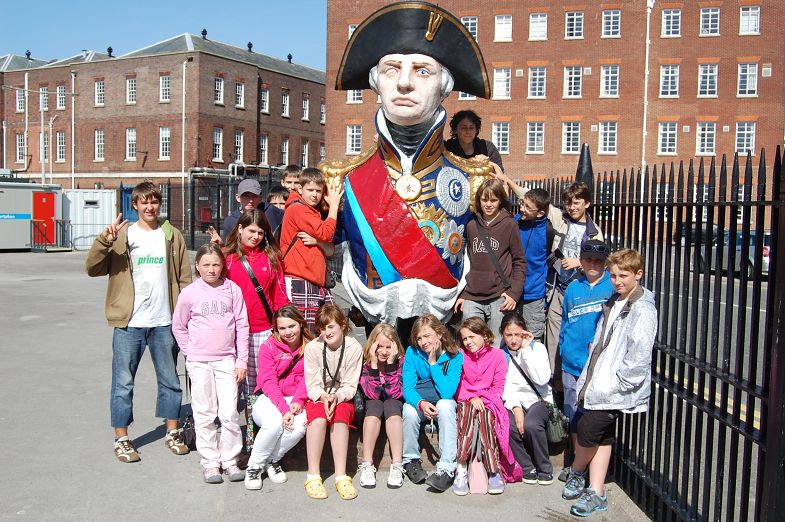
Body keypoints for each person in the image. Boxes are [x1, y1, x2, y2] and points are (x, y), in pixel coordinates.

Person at [326, 2, 493, 335]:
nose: (404, 83)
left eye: (422, 71)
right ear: (376, 83)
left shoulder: (474, 179)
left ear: (444, 87)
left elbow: (490, 251)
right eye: (391, 69)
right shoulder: (342, 178)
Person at [85, 181, 192, 463]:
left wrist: (186, 316)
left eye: (154, 201)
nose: (149, 207)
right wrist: (104, 241)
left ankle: (172, 431)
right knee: (123, 383)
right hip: (129, 323)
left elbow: (183, 278)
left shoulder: (171, 235)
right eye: (144, 202)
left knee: (170, 380)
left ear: (159, 204)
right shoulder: (122, 235)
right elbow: (92, 268)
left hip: (164, 321)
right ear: (135, 205)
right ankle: (122, 438)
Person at [562, 249, 657, 517]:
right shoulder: (614, 300)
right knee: (600, 435)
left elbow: (639, 353)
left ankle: (578, 472)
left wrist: (619, 385)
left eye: (623, 276)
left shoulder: (642, 308)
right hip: (598, 380)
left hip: (612, 387)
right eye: (614, 276)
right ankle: (596, 490)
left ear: (638, 274)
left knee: (588, 430)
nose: (617, 281)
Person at [500, 178, 604, 378]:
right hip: (558, 288)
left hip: (580, 289)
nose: (572, 207)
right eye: (568, 203)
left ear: (587, 204)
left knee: (577, 336)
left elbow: (600, 262)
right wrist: (506, 180)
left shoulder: (594, 232)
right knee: (553, 338)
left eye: (577, 203)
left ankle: (577, 380)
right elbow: (530, 197)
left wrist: (578, 262)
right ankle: (554, 382)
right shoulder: (560, 219)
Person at [171, 243, 249, 484]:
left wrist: (241, 360)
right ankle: (210, 462)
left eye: (216, 264)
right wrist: (190, 353)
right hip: (199, 362)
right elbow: (179, 326)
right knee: (204, 413)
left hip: (226, 360)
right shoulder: (189, 293)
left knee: (229, 412)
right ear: (197, 266)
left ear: (222, 265)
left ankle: (230, 460)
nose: (211, 269)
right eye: (206, 265)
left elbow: (242, 325)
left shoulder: (232, 290)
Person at [224, 209, 289, 448]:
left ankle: (254, 441)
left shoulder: (272, 258)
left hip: (263, 332)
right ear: (240, 229)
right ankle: (231, 443)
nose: (256, 237)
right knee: (231, 390)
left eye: (261, 233)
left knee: (257, 390)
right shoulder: (227, 258)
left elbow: (280, 296)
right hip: (232, 334)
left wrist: (281, 329)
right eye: (251, 231)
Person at [559, 239, 614, 479]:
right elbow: (565, 322)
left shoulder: (612, 287)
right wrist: (563, 351)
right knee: (573, 415)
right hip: (572, 364)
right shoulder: (573, 288)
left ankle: (591, 468)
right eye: (588, 260)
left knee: (593, 419)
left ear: (605, 263)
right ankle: (576, 464)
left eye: (598, 261)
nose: (593, 264)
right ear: (581, 261)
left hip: (597, 367)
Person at [245, 304, 312, 491]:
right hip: (269, 397)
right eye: (282, 328)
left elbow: (309, 377)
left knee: (300, 426)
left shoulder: (311, 346)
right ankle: (254, 466)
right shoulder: (268, 347)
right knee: (274, 423)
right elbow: (268, 382)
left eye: (292, 326)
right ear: (276, 329)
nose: (288, 332)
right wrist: (284, 410)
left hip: (296, 397)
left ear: (300, 324)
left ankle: (272, 460)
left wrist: (298, 400)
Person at [452, 317, 521, 496]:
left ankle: (493, 470)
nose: (468, 342)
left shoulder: (497, 355)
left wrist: (482, 398)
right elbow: (457, 385)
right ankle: (461, 466)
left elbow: (499, 386)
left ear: (484, 335)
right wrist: (471, 397)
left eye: (472, 337)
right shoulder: (460, 356)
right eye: (464, 338)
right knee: (466, 416)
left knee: (486, 418)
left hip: (489, 399)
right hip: (466, 399)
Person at [454, 176, 525, 346]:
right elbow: (465, 262)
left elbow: (519, 261)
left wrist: (514, 293)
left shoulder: (510, 225)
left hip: (500, 296)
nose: (488, 204)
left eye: (493, 200)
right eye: (484, 200)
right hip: (472, 296)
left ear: (500, 201)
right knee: (471, 344)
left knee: (496, 346)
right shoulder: (471, 225)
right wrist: (462, 294)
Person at [303, 304, 363, 500]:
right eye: (322, 328)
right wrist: (323, 397)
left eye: (330, 327)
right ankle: (313, 476)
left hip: (342, 396)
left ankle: (341, 476)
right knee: (318, 418)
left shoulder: (353, 347)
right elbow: (312, 383)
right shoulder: (313, 348)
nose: (326, 332)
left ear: (342, 325)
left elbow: (350, 384)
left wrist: (337, 397)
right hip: (319, 395)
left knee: (340, 417)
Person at [401, 314, 464, 492]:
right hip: (422, 401)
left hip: (442, 403)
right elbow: (408, 388)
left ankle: (447, 467)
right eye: (419, 338)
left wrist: (433, 363)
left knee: (446, 405)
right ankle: (411, 460)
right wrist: (420, 403)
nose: (423, 342)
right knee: (409, 410)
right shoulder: (412, 352)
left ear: (439, 333)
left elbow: (447, 392)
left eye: (427, 336)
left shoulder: (455, 356)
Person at [280, 167, 342, 331]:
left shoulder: (311, 211)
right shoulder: (298, 209)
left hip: (315, 281)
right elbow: (326, 232)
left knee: (325, 330)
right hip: (300, 279)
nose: (314, 195)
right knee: (307, 333)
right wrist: (334, 206)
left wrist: (317, 242)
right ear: (300, 189)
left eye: (318, 191)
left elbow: (330, 249)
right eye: (310, 190)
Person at [501, 313, 554, 486]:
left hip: (539, 399)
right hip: (514, 401)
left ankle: (544, 468)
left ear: (524, 332)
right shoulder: (502, 355)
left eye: (517, 334)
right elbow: (505, 387)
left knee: (532, 424)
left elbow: (541, 379)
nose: (513, 340)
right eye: (509, 335)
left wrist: (525, 351)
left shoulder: (537, 348)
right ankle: (527, 467)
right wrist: (516, 409)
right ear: (502, 334)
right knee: (508, 425)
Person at [357, 323, 406, 489]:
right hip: (374, 404)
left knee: (392, 405)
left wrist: (391, 365)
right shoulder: (365, 364)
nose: (384, 352)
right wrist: (374, 366)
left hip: (394, 403)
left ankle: (397, 464)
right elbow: (372, 395)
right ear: (372, 345)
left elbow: (395, 393)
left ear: (395, 347)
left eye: (388, 347)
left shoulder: (401, 362)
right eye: (379, 346)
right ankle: (367, 463)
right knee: (375, 406)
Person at [515, 188, 553, 343]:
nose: (522, 209)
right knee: (510, 338)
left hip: (533, 294)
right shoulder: (516, 222)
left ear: (540, 213)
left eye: (527, 207)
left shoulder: (548, 230)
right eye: (522, 203)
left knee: (532, 339)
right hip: (512, 291)